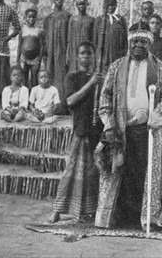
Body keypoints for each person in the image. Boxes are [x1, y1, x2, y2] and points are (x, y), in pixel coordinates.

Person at [95, 22, 162, 230]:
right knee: (122, 172)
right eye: (135, 41)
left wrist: (156, 116)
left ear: (149, 43)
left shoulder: (159, 67)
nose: (138, 45)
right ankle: (121, 217)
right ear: (129, 43)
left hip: (147, 130)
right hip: (121, 130)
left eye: (143, 41)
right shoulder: (117, 66)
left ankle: (146, 217)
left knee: (143, 173)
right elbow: (105, 96)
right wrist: (109, 124)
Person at [48, 42, 104, 223]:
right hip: (81, 130)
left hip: (98, 131)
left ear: (94, 56)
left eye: (89, 53)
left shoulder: (100, 78)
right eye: (83, 54)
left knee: (93, 173)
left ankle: (89, 211)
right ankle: (57, 211)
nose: (86, 57)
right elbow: (70, 101)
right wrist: (91, 83)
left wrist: (98, 83)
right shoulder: (72, 77)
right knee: (72, 171)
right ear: (77, 57)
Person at [43, 0, 72, 115]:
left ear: (63, 1)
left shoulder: (68, 16)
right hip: (50, 52)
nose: (59, 1)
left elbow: (70, 36)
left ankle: (62, 106)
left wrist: (67, 52)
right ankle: (49, 106)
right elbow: (45, 36)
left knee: (62, 76)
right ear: (53, 0)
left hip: (62, 51)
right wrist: (45, 52)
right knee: (50, 75)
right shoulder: (49, 18)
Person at [94, 0, 128, 73]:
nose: (110, 7)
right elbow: (94, 41)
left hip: (117, 55)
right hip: (102, 57)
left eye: (112, 5)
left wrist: (124, 56)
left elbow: (125, 41)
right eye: (108, 5)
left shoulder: (121, 20)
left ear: (116, 6)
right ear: (104, 6)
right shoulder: (99, 20)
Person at [67, 0, 95, 73]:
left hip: (86, 47)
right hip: (74, 47)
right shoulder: (73, 19)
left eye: (83, 4)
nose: (81, 6)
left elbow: (94, 37)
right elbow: (69, 37)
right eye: (79, 4)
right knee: (74, 69)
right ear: (77, 5)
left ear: (86, 5)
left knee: (86, 68)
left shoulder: (91, 19)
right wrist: (68, 52)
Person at [17, 8, 43, 89]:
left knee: (34, 79)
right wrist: (17, 59)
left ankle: (33, 98)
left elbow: (41, 46)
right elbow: (19, 45)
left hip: (35, 59)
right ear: (26, 18)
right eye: (29, 17)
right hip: (24, 58)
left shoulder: (38, 31)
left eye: (33, 17)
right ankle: (25, 97)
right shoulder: (22, 30)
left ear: (36, 18)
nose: (31, 19)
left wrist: (39, 59)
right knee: (24, 78)